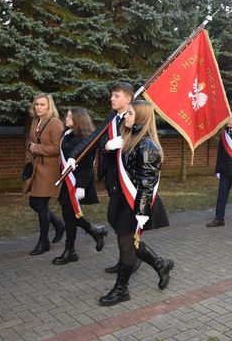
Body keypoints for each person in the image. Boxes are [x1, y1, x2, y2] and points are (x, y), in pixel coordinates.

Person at [99, 100, 173, 306]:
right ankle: (161, 264)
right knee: (130, 242)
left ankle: (121, 289)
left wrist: (141, 211)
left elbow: (147, 182)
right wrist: (109, 148)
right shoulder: (129, 139)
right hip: (125, 200)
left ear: (140, 117)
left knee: (127, 245)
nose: (126, 116)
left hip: (138, 202)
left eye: (130, 113)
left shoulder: (148, 145)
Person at [65, 82, 143, 274]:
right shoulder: (112, 117)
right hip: (112, 177)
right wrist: (73, 156)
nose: (111, 98)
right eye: (112, 95)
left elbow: (144, 141)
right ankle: (125, 259)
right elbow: (92, 139)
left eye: (116, 95)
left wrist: (125, 142)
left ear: (128, 98)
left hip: (129, 178)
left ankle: (134, 260)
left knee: (126, 222)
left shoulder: (136, 117)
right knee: (116, 220)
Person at [53, 108, 108, 265]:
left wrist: (81, 186)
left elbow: (87, 165)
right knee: (69, 214)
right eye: (67, 115)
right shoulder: (67, 134)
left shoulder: (85, 138)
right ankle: (94, 232)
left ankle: (71, 250)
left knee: (70, 215)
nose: (66, 118)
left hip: (77, 182)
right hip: (68, 181)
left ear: (79, 119)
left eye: (70, 116)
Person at [23, 93, 65, 256]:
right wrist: (30, 146)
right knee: (34, 204)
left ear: (49, 107)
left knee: (40, 205)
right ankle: (59, 224)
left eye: (42, 105)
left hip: (49, 170)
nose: (39, 107)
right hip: (36, 168)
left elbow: (57, 148)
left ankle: (43, 241)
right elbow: (30, 141)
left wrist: (36, 148)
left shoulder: (55, 123)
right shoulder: (35, 121)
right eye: (37, 104)